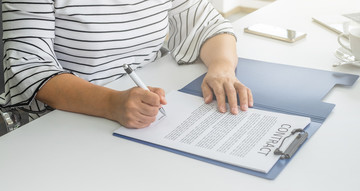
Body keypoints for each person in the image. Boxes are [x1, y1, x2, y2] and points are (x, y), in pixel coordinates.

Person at [1, 0, 253, 129]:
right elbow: (28, 66)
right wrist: (113, 103)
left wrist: (222, 68)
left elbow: (208, 24)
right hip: (61, 120)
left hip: (141, 117)